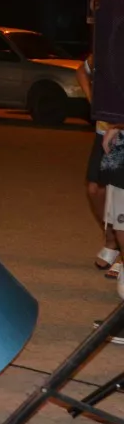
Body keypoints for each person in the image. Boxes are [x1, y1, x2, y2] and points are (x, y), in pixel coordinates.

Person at [78, 55, 124, 277]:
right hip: (104, 131)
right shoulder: (106, 44)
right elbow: (81, 72)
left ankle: (120, 252)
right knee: (95, 189)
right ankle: (111, 238)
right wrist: (95, 104)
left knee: (120, 197)